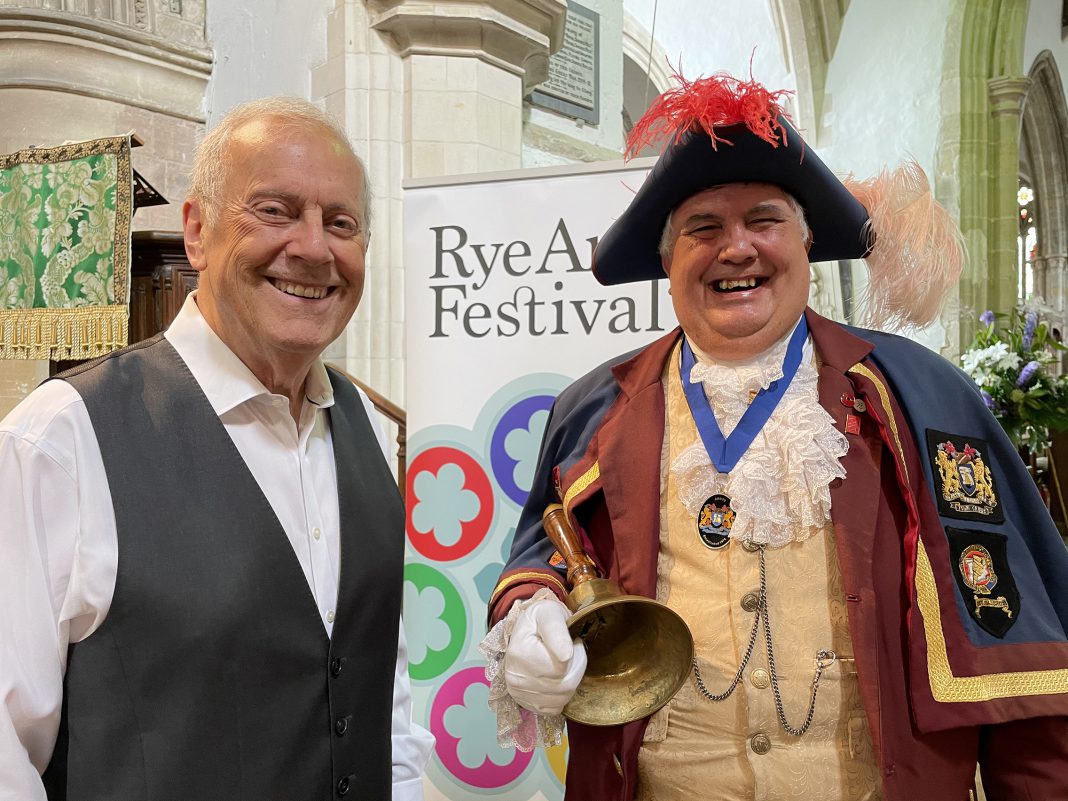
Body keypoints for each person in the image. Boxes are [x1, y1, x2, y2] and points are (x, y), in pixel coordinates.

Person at [482, 73, 1068, 800]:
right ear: (667, 260)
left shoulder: (919, 396)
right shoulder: (596, 407)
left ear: (807, 241)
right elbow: (545, 551)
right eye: (703, 228)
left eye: (764, 221)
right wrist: (532, 611)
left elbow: (1020, 652)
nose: (736, 249)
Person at [0, 98, 434, 800]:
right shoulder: (62, 439)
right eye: (275, 211)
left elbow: (380, 688)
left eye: (341, 223)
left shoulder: (368, 428)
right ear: (198, 232)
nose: (314, 248)